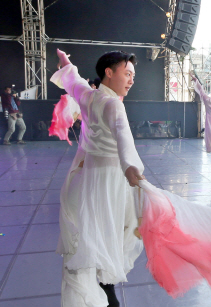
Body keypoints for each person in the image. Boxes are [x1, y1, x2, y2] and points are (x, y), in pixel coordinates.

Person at [51, 49, 145, 307]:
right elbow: (123, 135)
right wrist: (129, 166)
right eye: (127, 74)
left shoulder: (89, 96)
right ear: (109, 72)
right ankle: (106, 290)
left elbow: (73, 81)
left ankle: (101, 288)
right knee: (114, 232)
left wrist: (66, 62)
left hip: (86, 178)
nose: (131, 80)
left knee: (93, 234)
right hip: (110, 180)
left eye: (133, 76)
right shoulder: (113, 103)